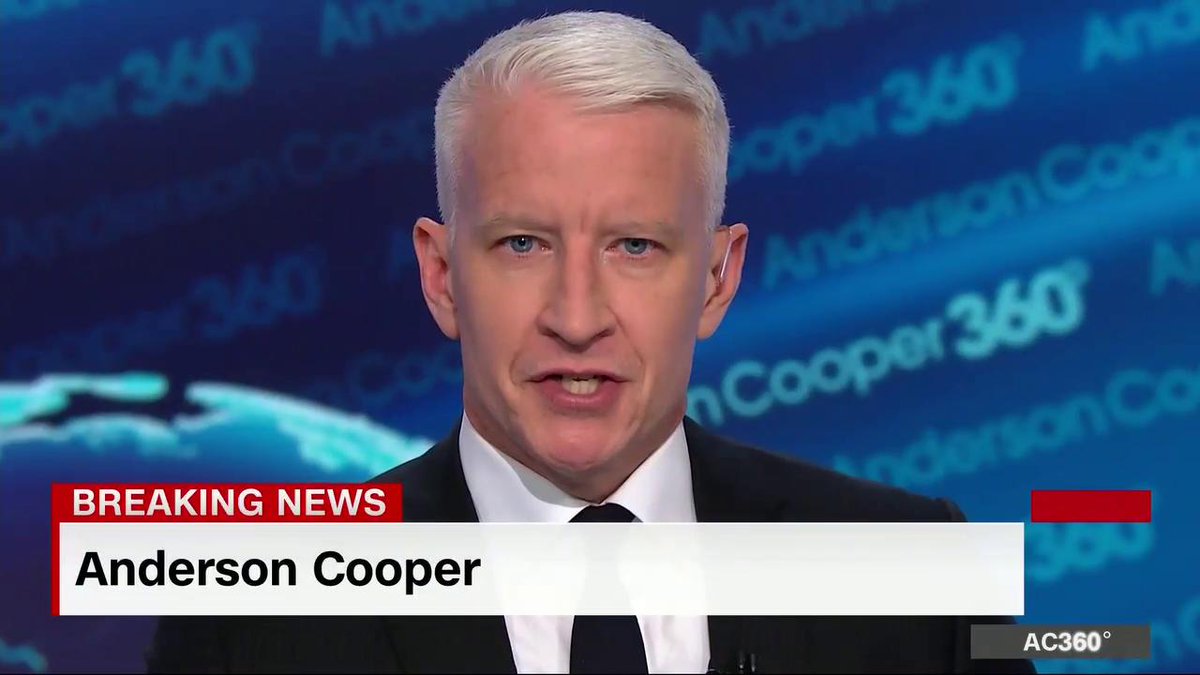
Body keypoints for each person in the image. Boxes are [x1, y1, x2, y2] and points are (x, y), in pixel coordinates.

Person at [147, 11, 1033, 674]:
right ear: (442, 275)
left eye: (635, 246)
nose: (577, 317)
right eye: (522, 244)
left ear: (717, 279)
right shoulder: (254, 621)